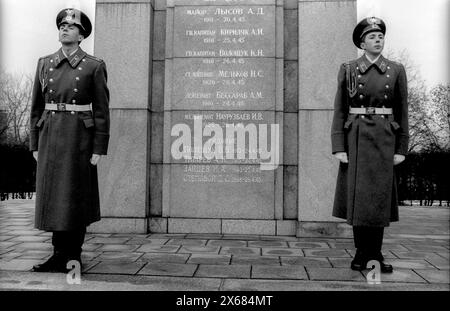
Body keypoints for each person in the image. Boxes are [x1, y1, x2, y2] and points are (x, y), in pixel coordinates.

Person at [29, 8, 110, 273]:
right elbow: (36, 106)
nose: (64, 29)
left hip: (79, 139)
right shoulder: (45, 63)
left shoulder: (93, 66)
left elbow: (101, 109)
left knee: (75, 198)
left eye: (71, 27)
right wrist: (34, 143)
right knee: (53, 197)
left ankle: (73, 256)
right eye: (62, 25)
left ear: (81, 34)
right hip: (50, 135)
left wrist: (99, 147)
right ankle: (57, 255)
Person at [331, 17, 409, 273]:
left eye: (381, 36)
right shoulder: (349, 68)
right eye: (372, 37)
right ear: (362, 42)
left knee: (378, 199)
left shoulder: (396, 70)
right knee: (358, 198)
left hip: (385, 137)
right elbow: (340, 110)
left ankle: (373, 254)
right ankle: (361, 253)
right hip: (356, 137)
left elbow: (402, 111)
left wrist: (401, 148)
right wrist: (338, 146)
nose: (378, 40)